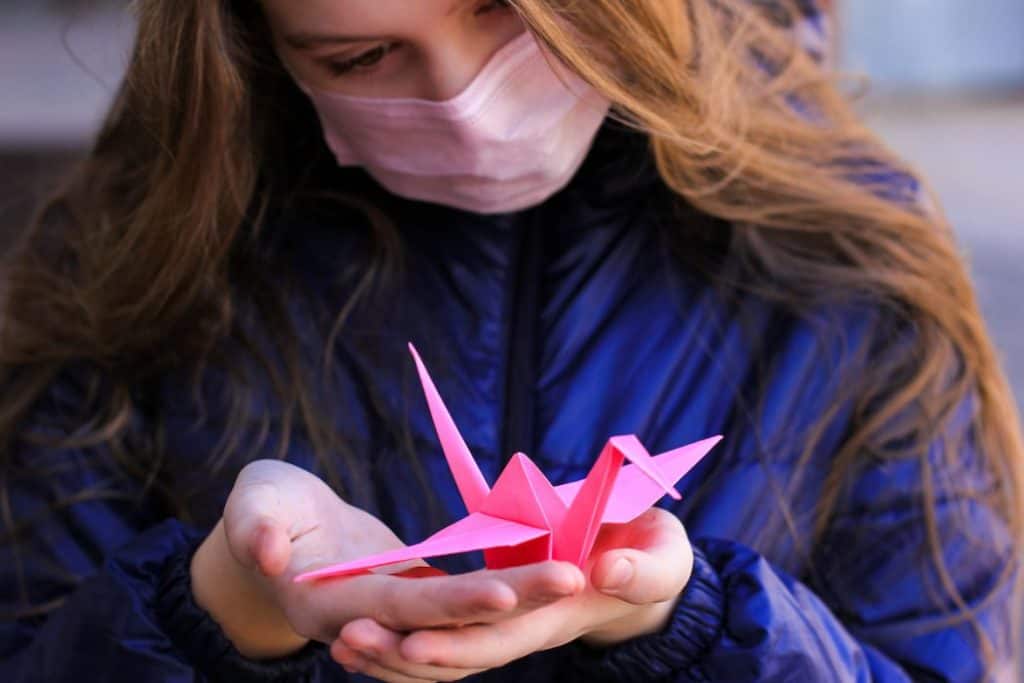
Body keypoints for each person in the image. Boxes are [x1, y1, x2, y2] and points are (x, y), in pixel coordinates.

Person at [1, 0, 1021, 681]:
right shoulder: (130, 280)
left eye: (503, 6)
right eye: (357, 56)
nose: (461, 97)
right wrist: (218, 604)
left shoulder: (848, 272)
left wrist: (686, 622)